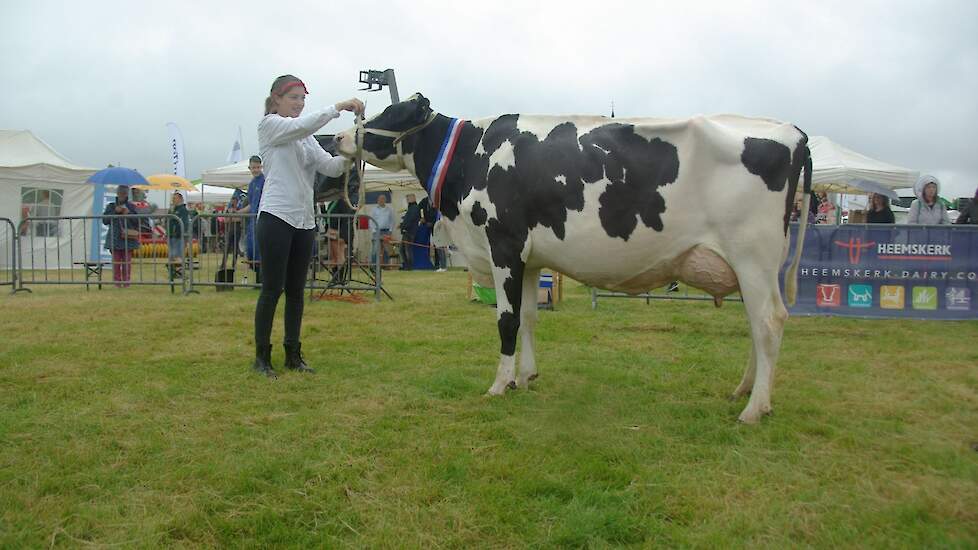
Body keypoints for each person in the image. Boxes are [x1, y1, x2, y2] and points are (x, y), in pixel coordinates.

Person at [252, 74, 363, 378]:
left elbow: (329, 166)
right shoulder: (271, 125)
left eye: (302, 99)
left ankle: (293, 354)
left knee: (297, 292)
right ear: (277, 99)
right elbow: (305, 124)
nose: (299, 104)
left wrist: (352, 152)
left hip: (304, 220)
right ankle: (262, 357)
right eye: (294, 98)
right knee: (272, 289)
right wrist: (339, 106)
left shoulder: (305, 137)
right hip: (276, 216)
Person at [101, 185, 140, 287]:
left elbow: (138, 222)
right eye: (120, 193)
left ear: (127, 194)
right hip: (114, 238)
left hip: (128, 238)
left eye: (124, 193)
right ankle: (117, 282)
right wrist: (115, 212)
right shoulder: (111, 206)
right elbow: (105, 221)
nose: (122, 195)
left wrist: (129, 214)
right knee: (116, 262)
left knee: (127, 262)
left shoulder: (131, 207)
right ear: (117, 194)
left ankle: (126, 282)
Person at [237, 155, 265, 282]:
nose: (255, 170)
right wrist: (238, 212)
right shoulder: (252, 184)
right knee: (251, 249)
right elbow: (251, 204)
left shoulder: (264, 181)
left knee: (260, 249)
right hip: (252, 221)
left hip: (262, 219)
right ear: (249, 168)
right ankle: (257, 278)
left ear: (261, 167)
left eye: (257, 167)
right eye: (253, 167)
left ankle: (261, 279)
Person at [419, 195, 447, 271]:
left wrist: (434, 224)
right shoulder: (425, 202)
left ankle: (443, 266)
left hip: (439, 229)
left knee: (440, 247)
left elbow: (440, 220)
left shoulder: (440, 211)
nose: (433, 205)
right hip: (435, 228)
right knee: (438, 247)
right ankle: (442, 266)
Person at [167, 191, 190, 270]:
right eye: (173, 198)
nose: (173, 200)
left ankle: (179, 271)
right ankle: (173, 271)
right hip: (172, 236)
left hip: (178, 236)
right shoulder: (173, 210)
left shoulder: (183, 210)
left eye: (175, 198)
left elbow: (184, 223)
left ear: (180, 199)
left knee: (177, 255)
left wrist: (181, 234)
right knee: (172, 255)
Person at [368, 194, 393, 266]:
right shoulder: (374, 209)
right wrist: (374, 230)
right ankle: (374, 265)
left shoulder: (389, 210)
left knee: (386, 249)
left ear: (385, 200)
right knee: (375, 249)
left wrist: (390, 230)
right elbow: (371, 221)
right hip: (376, 231)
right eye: (380, 199)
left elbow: (392, 220)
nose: (381, 200)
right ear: (378, 200)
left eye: (383, 199)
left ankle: (385, 265)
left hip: (386, 231)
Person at [399, 193, 421, 270]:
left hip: (409, 232)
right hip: (407, 231)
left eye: (408, 198)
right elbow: (408, 219)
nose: (407, 200)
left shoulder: (414, 208)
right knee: (402, 249)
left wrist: (403, 227)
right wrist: (402, 225)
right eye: (407, 199)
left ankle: (409, 266)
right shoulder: (411, 208)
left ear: (413, 198)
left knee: (407, 249)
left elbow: (410, 220)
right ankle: (406, 265)